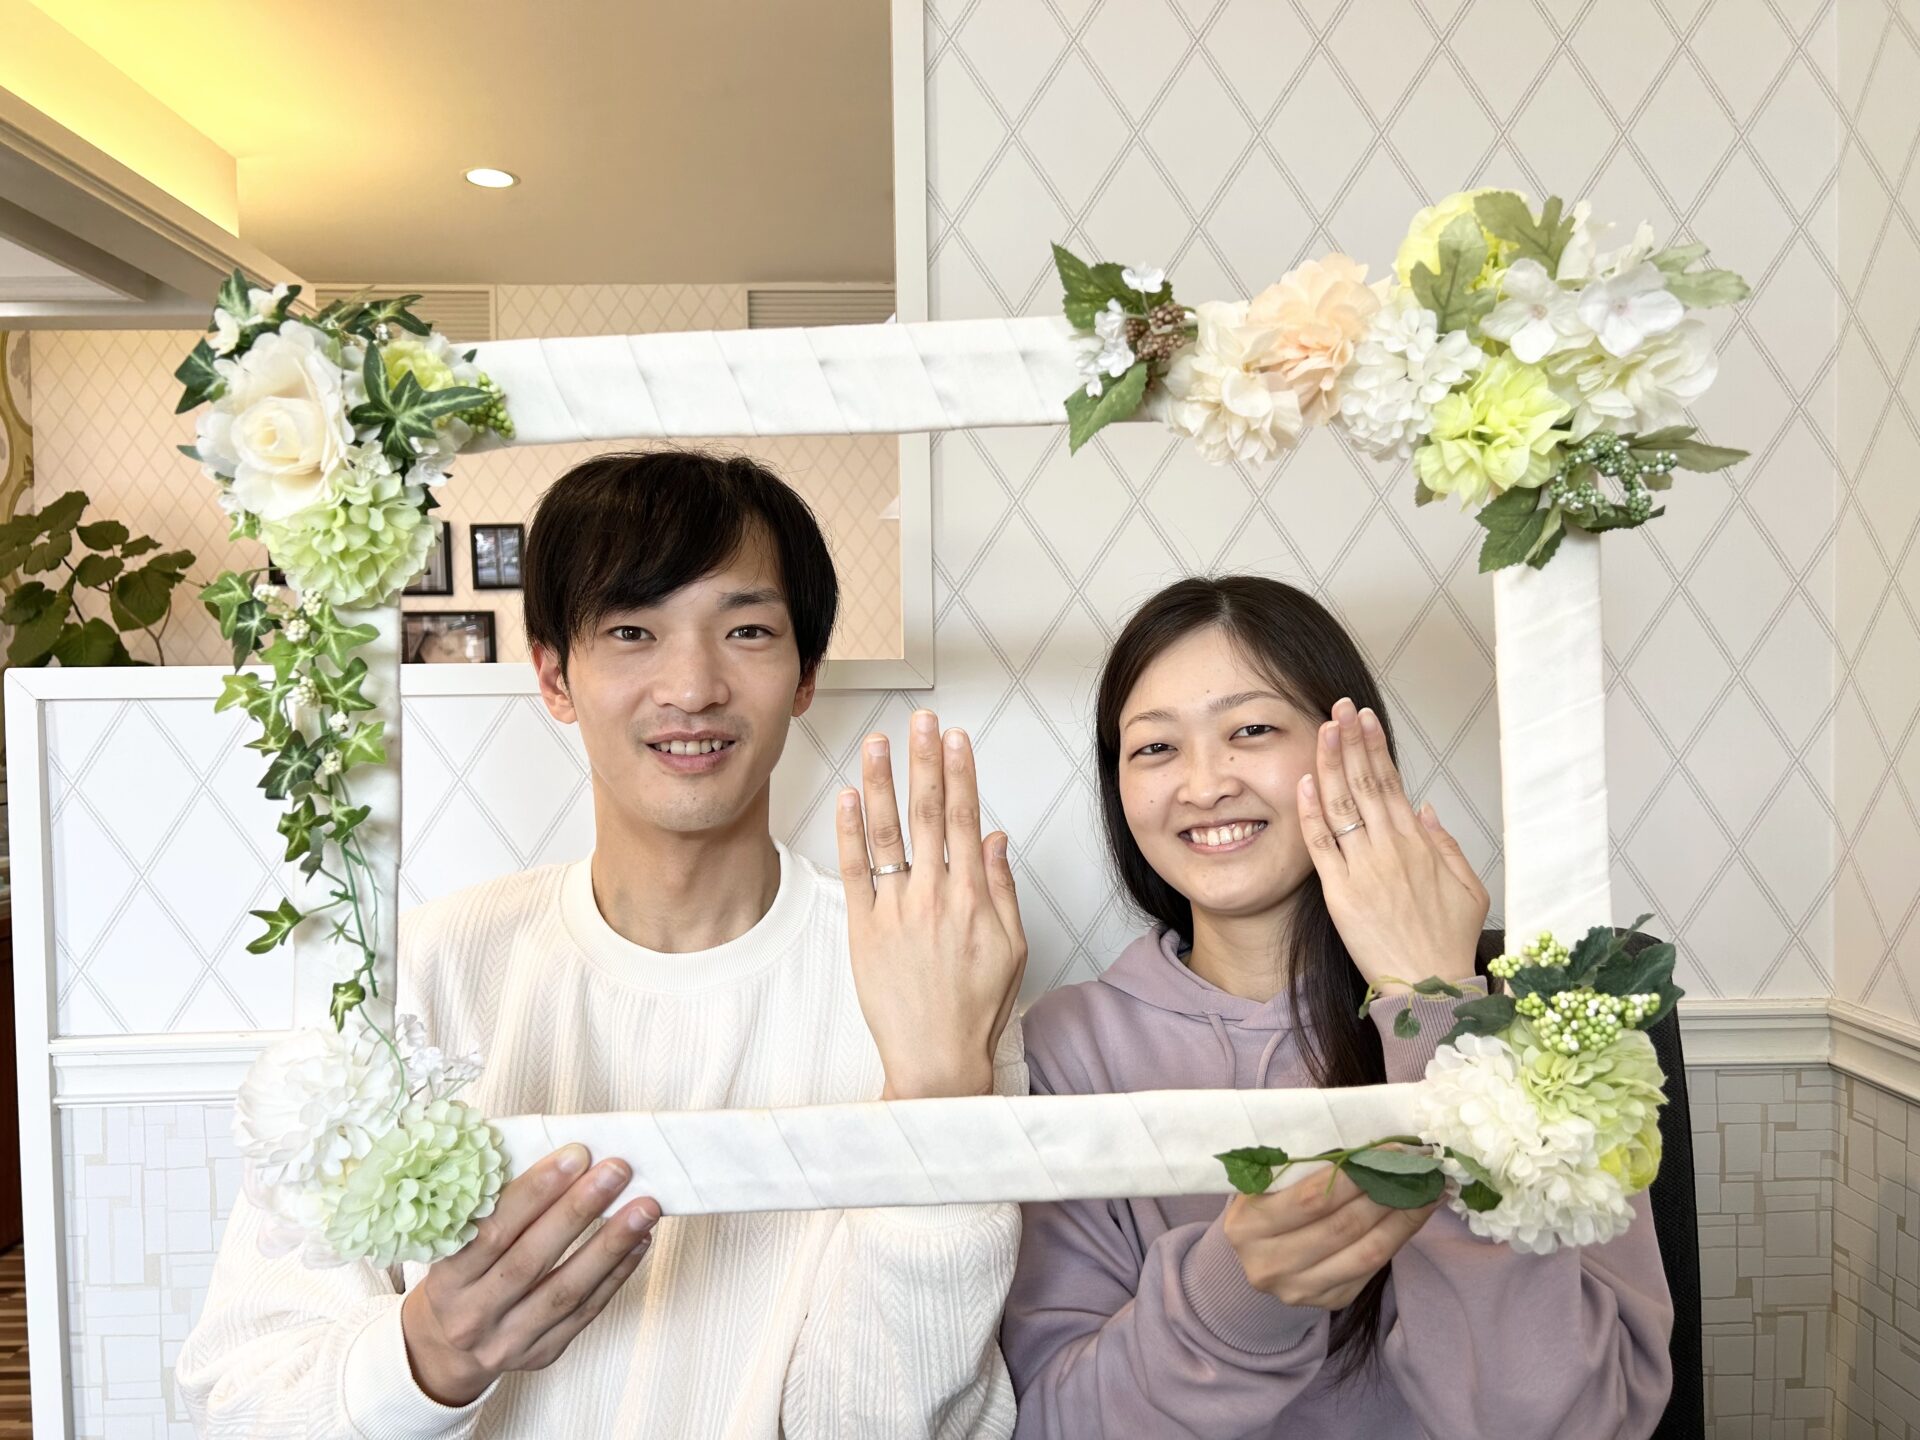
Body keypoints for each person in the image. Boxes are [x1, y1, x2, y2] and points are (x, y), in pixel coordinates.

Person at [178, 450, 1029, 1438]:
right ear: (554, 675)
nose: (693, 686)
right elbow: (241, 1393)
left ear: (805, 676)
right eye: (632, 631)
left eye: (747, 630)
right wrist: (426, 1359)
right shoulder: (423, 969)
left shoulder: (926, 970)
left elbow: (883, 1423)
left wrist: (935, 1107)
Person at [1000, 575, 1673, 1440]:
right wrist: (1233, 1296)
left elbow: (1580, 1423)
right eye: (1156, 748)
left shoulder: (1545, 1024)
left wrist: (1436, 1016)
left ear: (1352, 747)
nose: (1203, 785)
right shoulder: (1068, 1048)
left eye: (1251, 730)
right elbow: (1055, 1421)